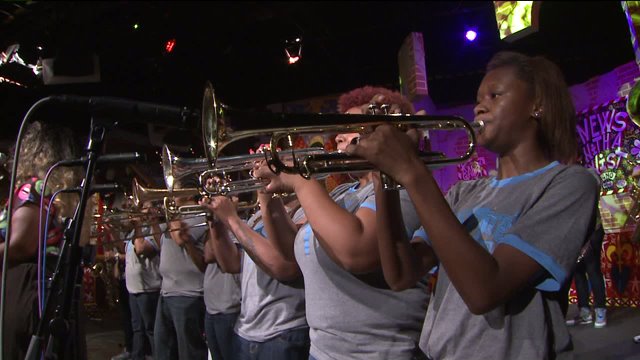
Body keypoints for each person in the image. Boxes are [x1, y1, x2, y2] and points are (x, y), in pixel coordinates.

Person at [346, 51, 599, 359]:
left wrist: (411, 169)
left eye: (495, 95)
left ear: (537, 105)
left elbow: (485, 291)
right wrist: (386, 175)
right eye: (479, 98)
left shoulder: (570, 183)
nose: (479, 106)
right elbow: (400, 273)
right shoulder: (463, 192)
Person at [252, 86, 429, 360]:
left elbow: (356, 252)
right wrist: (267, 196)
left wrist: (301, 180)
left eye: (350, 126)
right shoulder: (341, 194)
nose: (338, 136)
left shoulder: (403, 191)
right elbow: (289, 250)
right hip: (323, 352)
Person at [200, 171, 310, 360]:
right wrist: (215, 219)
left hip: (283, 331)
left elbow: (283, 267)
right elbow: (231, 264)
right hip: (247, 329)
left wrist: (232, 219)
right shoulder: (257, 215)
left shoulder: (305, 210)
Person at [0, 120, 86, 359]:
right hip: (51, 289)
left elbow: (20, 246)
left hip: (26, 288)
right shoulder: (66, 194)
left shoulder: (34, 188)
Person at [154, 177, 208, 360]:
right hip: (167, 291)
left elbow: (179, 238)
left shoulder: (198, 216)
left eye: (173, 191)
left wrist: (170, 214)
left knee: (189, 352)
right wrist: (149, 220)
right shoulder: (177, 217)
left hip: (188, 294)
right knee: (164, 350)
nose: (169, 196)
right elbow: (158, 242)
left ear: (188, 193)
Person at [566, 169, 607, 328]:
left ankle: (600, 310)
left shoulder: (588, 179)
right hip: (575, 232)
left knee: (593, 269)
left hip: (591, 231)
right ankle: (584, 311)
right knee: (578, 271)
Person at [201, 199, 242, 360]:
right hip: (211, 307)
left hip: (228, 308)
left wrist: (221, 218)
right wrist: (212, 219)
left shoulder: (238, 226)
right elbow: (207, 254)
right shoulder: (217, 226)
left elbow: (213, 255)